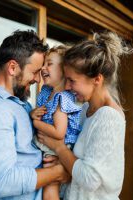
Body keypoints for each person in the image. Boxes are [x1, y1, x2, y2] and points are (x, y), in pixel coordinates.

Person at [0, 30, 70, 200]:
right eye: (35, 71)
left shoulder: (20, 104)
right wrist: (58, 172)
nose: (38, 79)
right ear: (13, 67)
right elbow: (2, 182)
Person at [38, 31, 133, 200]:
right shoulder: (84, 110)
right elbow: (77, 164)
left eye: (72, 80)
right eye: (65, 79)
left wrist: (59, 148)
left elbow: (90, 179)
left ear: (97, 79)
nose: (66, 87)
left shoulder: (108, 118)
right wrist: (63, 166)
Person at [30, 46, 82, 200]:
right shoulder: (46, 92)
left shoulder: (62, 98)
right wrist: (33, 113)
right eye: (44, 63)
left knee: (50, 188)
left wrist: (35, 123)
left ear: (64, 72)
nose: (43, 67)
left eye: (49, 63)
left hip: (55, 147)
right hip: (47, 144)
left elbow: (59, 132)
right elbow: (40, 111)